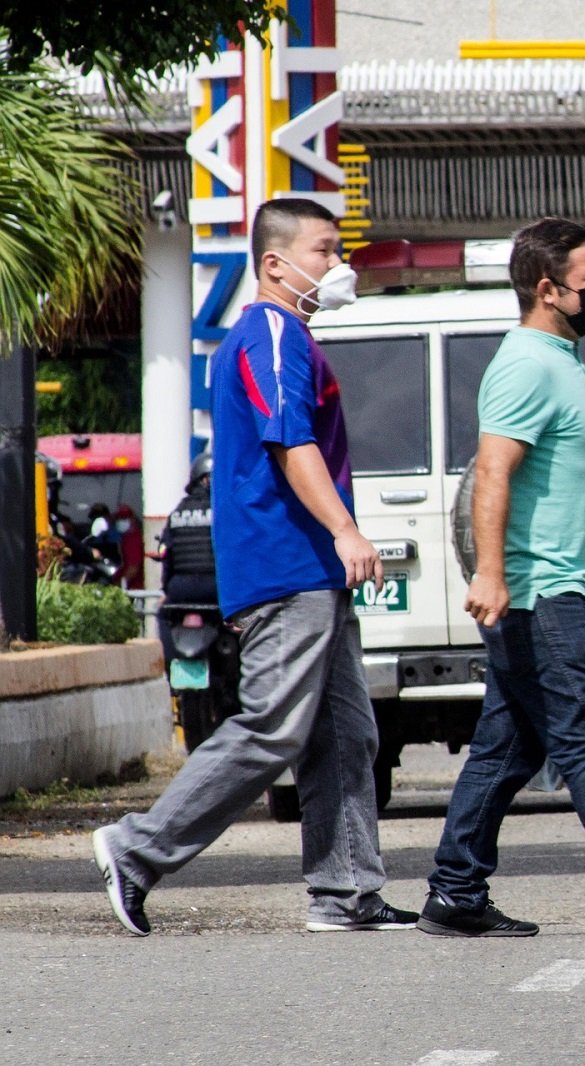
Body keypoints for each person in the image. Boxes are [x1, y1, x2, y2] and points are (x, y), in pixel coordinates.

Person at [92, 197, 415, 936]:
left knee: (346, 734)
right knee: (272, 726)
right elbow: (289, 442)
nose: (339, 266)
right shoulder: (269, 332)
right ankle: (136, 850)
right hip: (287, 565)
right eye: (324, 251)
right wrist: (345, 530)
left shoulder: (287, 334)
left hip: (310, 572)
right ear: (275, 264)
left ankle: (345, 893)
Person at [416, 217, 585, 940]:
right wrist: (491, 572)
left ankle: (454, 890)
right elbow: (492, 474)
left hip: (555, 585)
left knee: (507, 749)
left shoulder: (559, 357)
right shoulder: (525, 365)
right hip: (540, 590)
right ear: (548, 289)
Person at [155, 453, 219, 663]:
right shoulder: (224, 512)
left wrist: (166, 589)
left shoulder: (178, 513)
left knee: (164, 614)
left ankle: (171, 663)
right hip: (215, 587)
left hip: (181, 588)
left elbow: (167, 558)